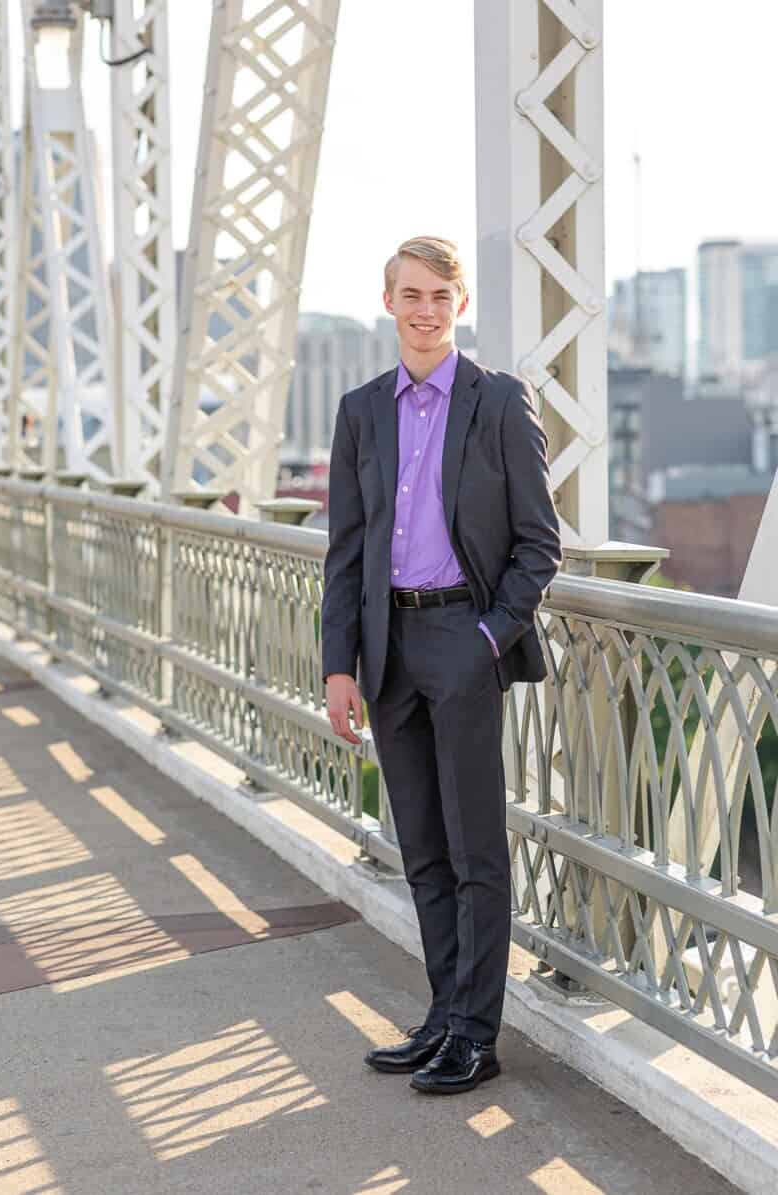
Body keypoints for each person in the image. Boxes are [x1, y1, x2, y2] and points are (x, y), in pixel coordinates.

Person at [320, 235, 561, 1095]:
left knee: (474, 848)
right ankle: (442, 1014)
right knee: (420, 845)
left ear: (460, 304)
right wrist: (338, 665)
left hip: (463, 638)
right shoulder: (361, 410)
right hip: (386, 646)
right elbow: (346, 550)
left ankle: (475, 1034)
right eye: (412, 295)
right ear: (388, 301)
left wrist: (488, 638)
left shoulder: (498, 401)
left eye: (440, 296)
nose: (426, 311)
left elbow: (540, 544)